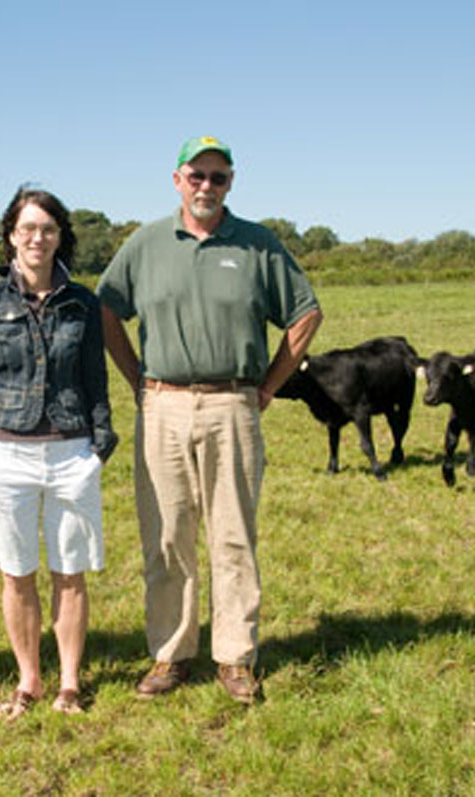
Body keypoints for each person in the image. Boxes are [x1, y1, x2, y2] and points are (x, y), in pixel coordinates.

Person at [96, 136, 323, 705]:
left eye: (217, 178)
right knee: (167, 535)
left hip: (233, 405)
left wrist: (268, 387)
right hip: (162, 405)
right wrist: (136, 381)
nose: (206, 186)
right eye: (196, 175)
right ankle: (170, 653)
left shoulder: (256, 244)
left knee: (232, 534)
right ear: (177, 179)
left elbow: (305, 313)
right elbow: (105, 309)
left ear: (231, 183)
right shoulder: (146, 244)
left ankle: (235, 657)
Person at [0, 187, 117, 721]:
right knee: (17, 572)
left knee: (71, 571)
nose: (37, 238)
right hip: (7, 452)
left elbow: (95, 376)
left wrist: (100, 440)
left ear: (59, 237)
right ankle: (29, 678)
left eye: (47, 229)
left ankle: (70, 682)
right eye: (27, 228)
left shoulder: (83, 302)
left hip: (73, 450)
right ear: (11, 236)